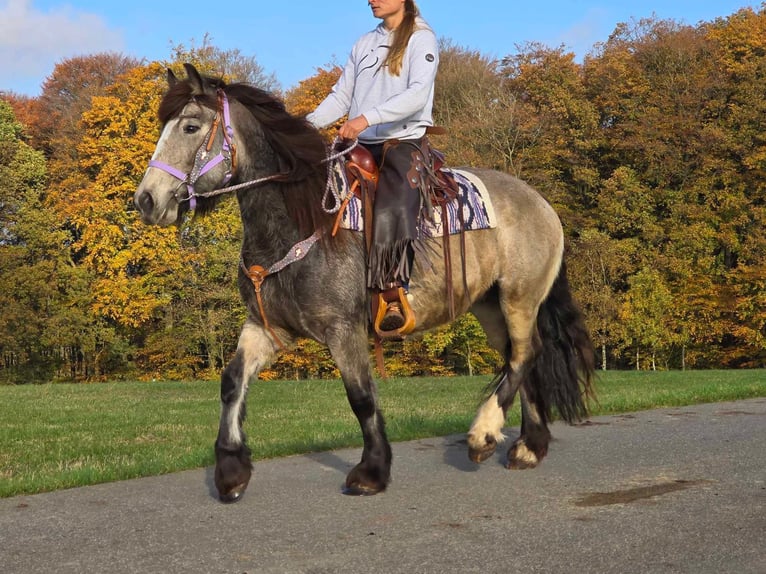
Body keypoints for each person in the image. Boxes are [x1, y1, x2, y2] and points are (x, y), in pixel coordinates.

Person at [307, 0, 439, 335]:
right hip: (360, 143)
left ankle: (392, 294)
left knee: (393, 202)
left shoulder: (422, 39)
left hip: (403, 141)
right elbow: (340, 97)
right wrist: (301, 128)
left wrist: (367, 118)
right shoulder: (364, 43)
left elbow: (417, 96)